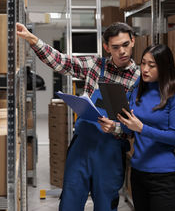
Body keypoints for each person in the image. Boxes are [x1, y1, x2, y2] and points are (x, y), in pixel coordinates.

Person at [16, 21, 140, 211]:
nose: (122, 51)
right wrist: (32, 39)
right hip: (82, 146)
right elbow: (60, 61)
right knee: (69, 203)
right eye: (115, 47)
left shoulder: (139, 78)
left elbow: (138, 123)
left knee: (106, 205)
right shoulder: (95, 65)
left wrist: (115, 127)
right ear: (107, 47)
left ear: (132, 41)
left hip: (110, 151)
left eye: (125, 45)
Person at [116, 44, 175, 211]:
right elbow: (130, 131)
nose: (145, 69)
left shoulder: (174, 94)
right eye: (143, 63)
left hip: (163, 176)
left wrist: (142, 128)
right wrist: (118, 125)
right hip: (138, 171)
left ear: (164, 67)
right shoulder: (138, 90)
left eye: (151, 65)